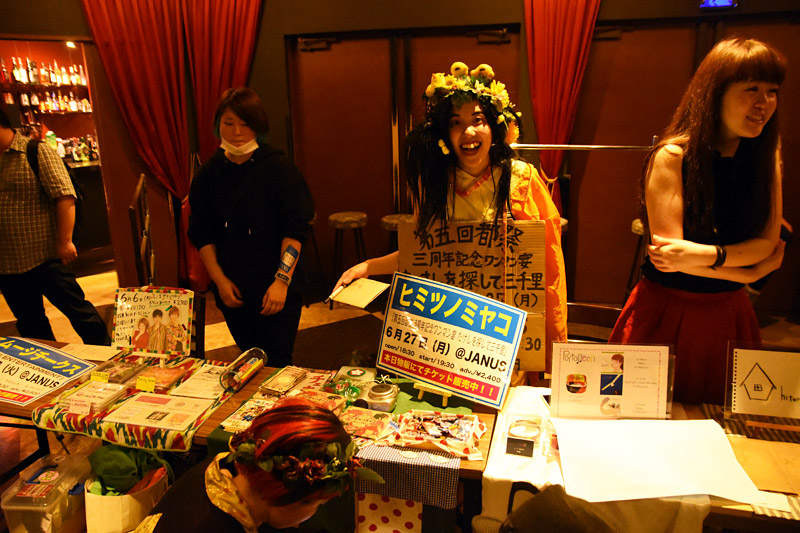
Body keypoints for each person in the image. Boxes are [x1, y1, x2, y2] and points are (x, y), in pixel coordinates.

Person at [335, 62, 567, 366]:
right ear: (444, 133)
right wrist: (367, 266)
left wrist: (548, 341)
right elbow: (424, 256)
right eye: (456, 122)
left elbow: (547, 267)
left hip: (506, 329)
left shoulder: (521, 179)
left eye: (478, 120)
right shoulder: (433, 184)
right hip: (452, 328)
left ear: (494, 127)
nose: (468, 131)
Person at [610, 38, 787, 405]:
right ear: (715, 92)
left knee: (726, 423)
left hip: (729, 313)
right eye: (751, 89)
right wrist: (749, 272)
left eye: (772, 91)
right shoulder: (673, 156)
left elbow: (767, 244)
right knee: (643, 417)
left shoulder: (766, 156)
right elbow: (671, 261)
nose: (764, 103)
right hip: (665, 310)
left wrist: (705, 255)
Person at [188, 87, 314, 368]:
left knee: (278, 361)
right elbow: (202, 233)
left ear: (258, 126)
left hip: (278, 285)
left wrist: (281, 281)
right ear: (217, 125)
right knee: (250, 358)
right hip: (233, 287)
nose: (236, 132)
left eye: (245, 124)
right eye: (228, 123)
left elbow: (295, 228)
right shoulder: (208, 174)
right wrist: (220, 282)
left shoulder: (279, 168)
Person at [134, 398, 383, 533]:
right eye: (317, 505)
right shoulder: (212, 525)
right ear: (285, 493)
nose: (311, 517)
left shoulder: (225, 466)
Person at [0, 105, 110, 345]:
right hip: (7, 263)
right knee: (30, 324)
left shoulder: (34, 151)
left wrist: (65, 241)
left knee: (80, 313)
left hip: (45, 256)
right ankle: (48, 364)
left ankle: (106, 355)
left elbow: (65, 196)